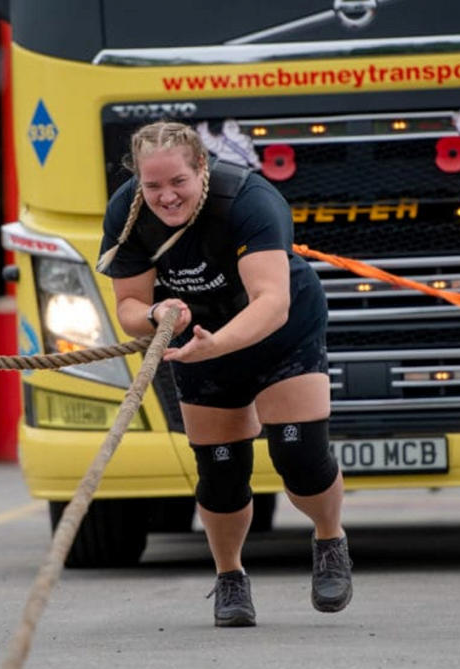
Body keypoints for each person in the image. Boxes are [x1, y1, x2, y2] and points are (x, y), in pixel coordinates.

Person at [96, 121, 352, 627]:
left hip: (280, 333)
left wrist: (218, 343)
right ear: (138, 181)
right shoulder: (127, 214)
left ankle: (330, 539)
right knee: (220, 472)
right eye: (153, 186)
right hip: (199, 343)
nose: (166, 197)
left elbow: (272, 303)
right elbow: (127, 303)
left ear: (202, 170)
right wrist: (153, 316)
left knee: (298, 454)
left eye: (178, 183)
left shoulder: (248, 200)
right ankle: (230, 577)